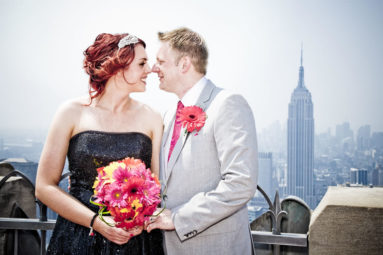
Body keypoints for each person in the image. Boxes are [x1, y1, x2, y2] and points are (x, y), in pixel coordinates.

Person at [35, 33, 164, 254]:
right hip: (78, 237)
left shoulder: (152, 118)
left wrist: (140, 221)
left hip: (134, 242)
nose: (150, 69)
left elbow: (158, 189)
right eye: (142, 63)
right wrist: (96, 222)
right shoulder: (71, 112)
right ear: (118, 65)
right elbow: (44, 187)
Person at [147, 27, 258, 254]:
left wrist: (178, 218)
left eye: (161, 61)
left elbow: (241, 183)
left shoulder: (227, 103)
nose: (153, 68)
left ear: (184, 64)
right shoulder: (169, 115)